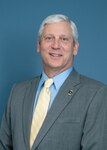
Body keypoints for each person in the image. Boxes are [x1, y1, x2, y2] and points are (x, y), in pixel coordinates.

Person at [0, 14, 107, 150]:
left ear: (75, 47)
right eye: (49, 38)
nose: (56, 45)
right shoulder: (17, 91)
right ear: (38, 45)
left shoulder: (96, 94)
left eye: (64, 39)